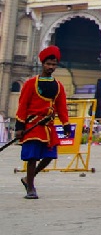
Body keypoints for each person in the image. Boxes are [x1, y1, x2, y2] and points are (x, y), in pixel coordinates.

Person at [14, 46, 68, 199]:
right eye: (48, 64)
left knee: (50, 155)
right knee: (32, 158)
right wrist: (19, 127)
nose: (51, 67)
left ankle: (28, 179)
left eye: (54, 64)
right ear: (43, 64)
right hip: (32, 126)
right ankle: (31, 188)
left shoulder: (58, 86)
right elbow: (22, 105)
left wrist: (66, 124)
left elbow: (61, 106)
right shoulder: (31, 83)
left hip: (48, 128)